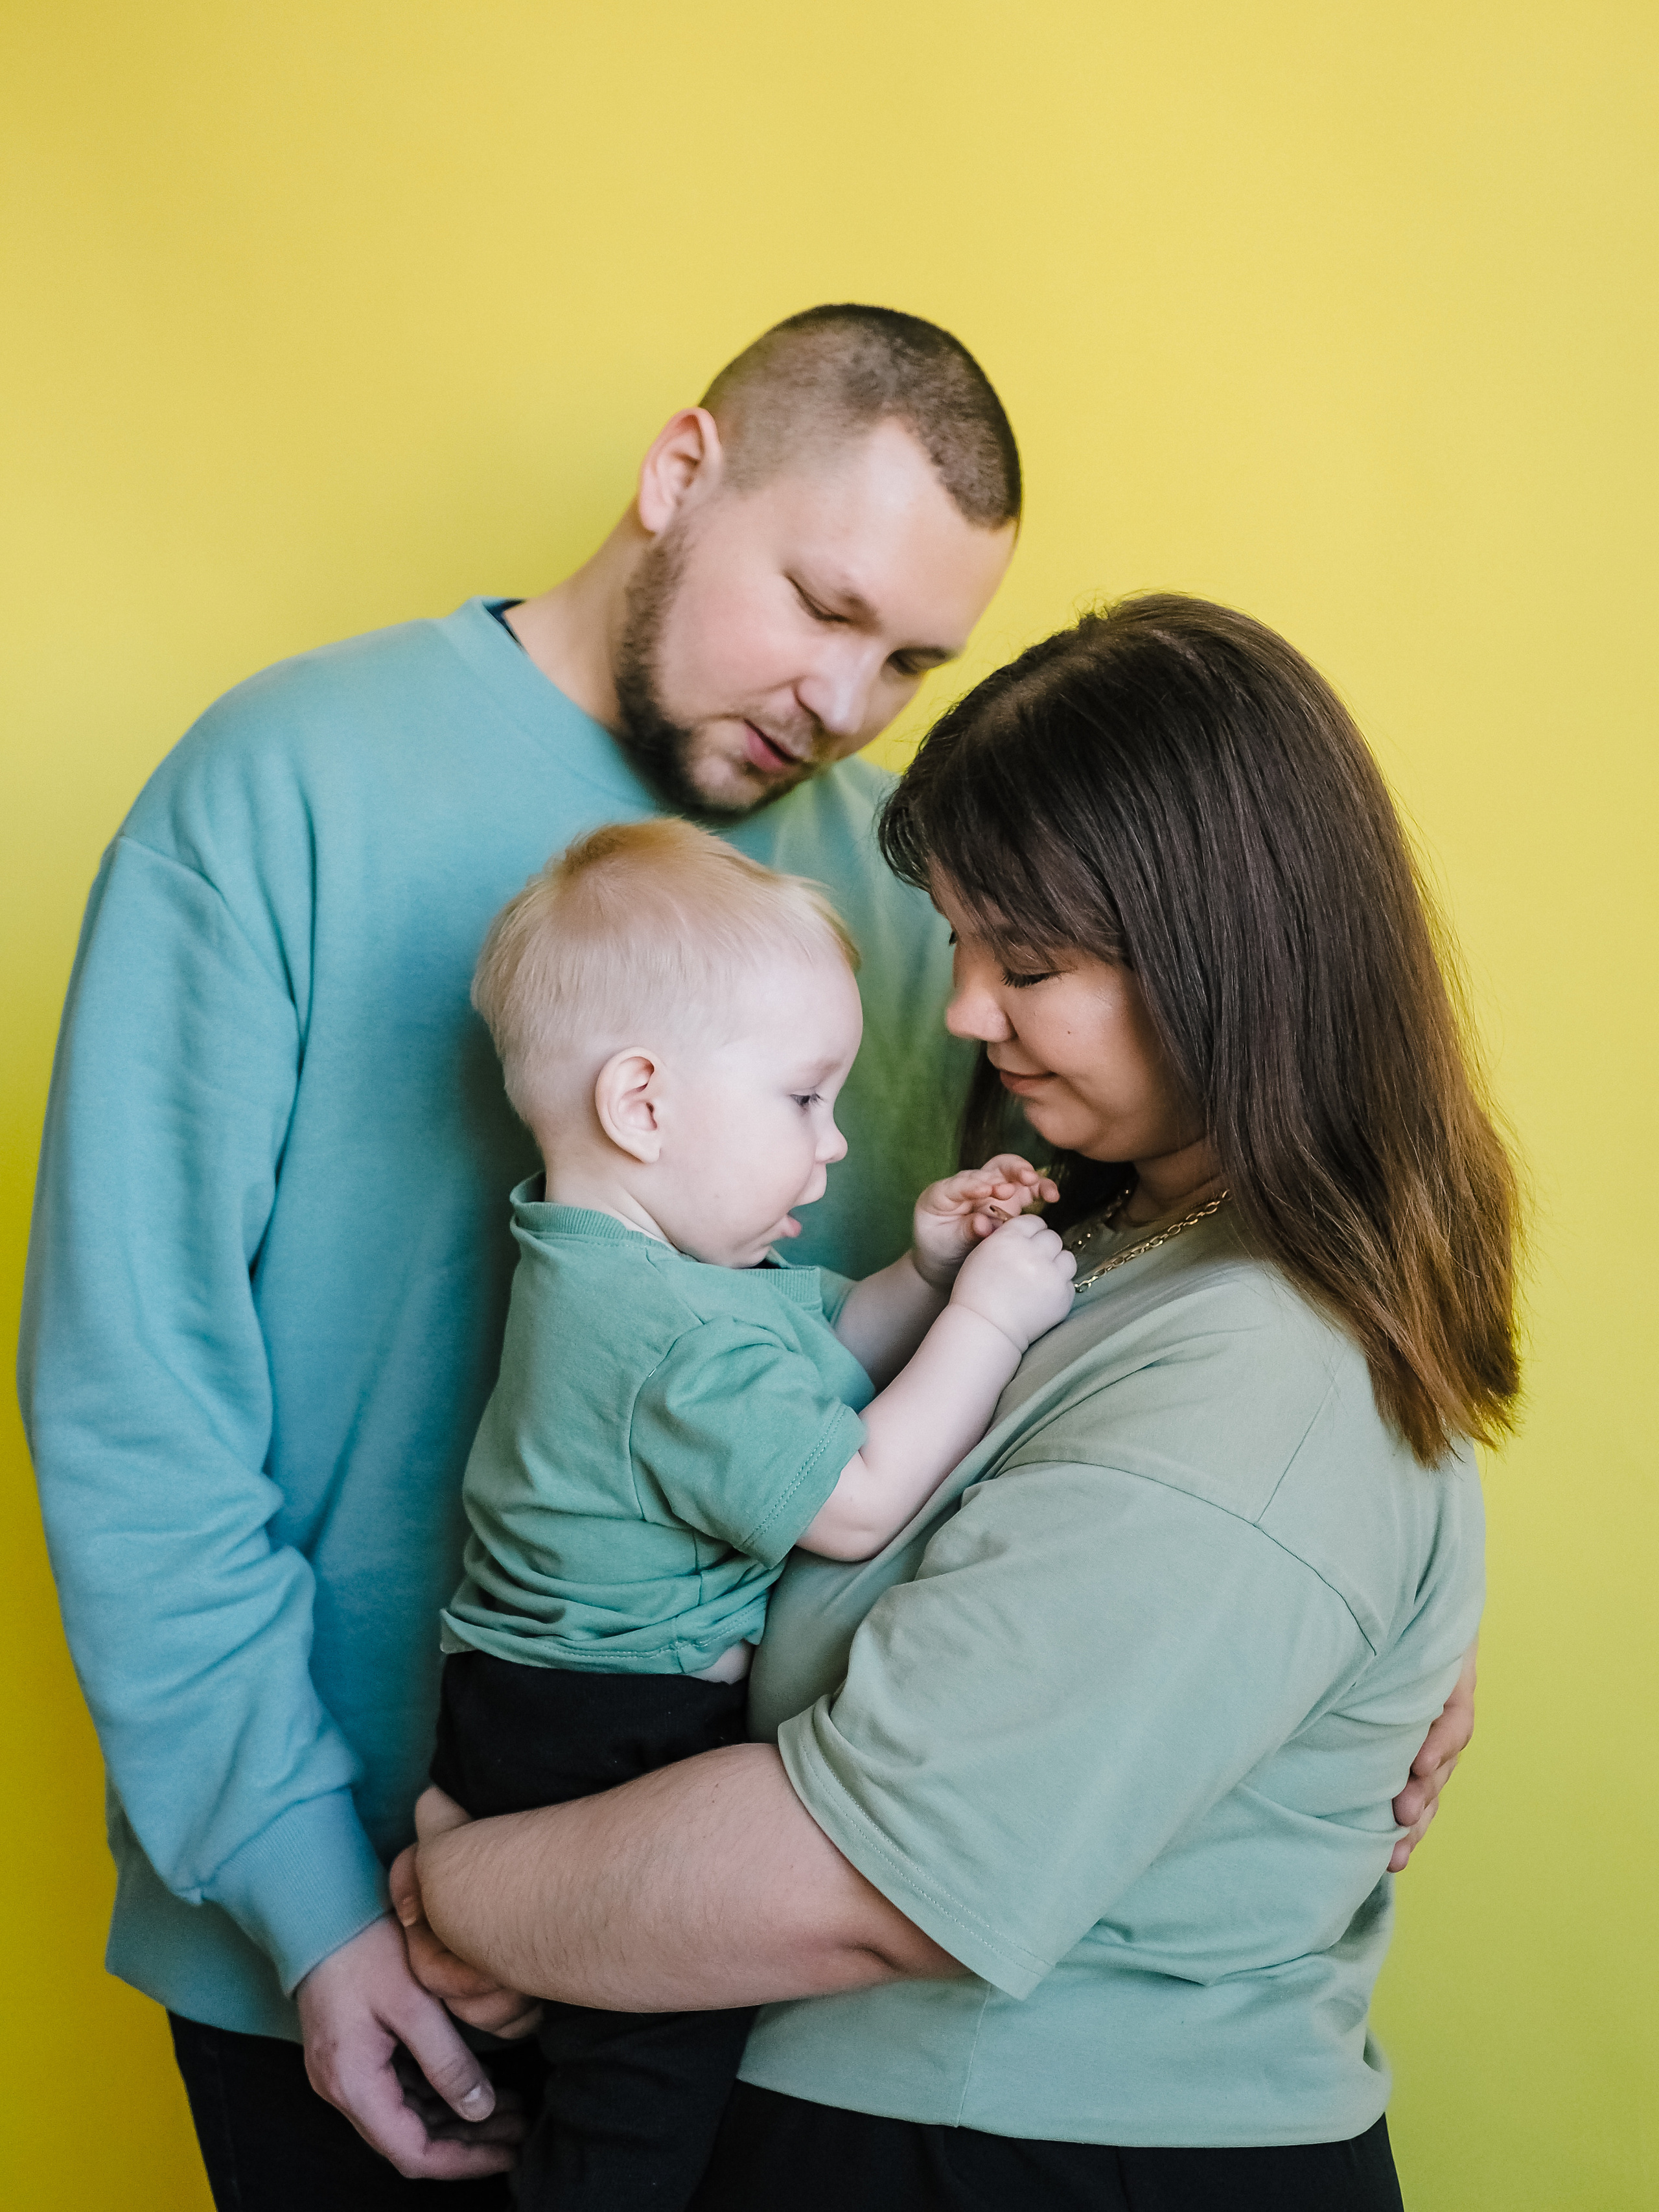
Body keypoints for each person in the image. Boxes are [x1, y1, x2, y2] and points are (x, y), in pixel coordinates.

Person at [17, 304, 1024, 2206]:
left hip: (749, 1949)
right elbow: (132, 1388)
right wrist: (314, 1905)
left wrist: (1394, 1592)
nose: (846, 695)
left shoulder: (907, 890)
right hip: (338, 1953)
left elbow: (1136, 1211)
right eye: (819, 603)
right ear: (677, 474)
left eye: (909, 657)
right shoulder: (280, 784)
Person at [393, 594, 1516, 2211]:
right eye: (964, 945)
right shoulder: (1119, 1230)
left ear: (1225, 952)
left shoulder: (1269, 1373)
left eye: (1030, 963)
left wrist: (471, 1887)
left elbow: (879, 1879)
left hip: (1029, 2154)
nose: (966, 1013)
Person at [430, 817, 1074, 2207]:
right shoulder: (661, 1331)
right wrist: (990, 1316)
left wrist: (920, 1271)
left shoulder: (634, 1277)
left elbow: (818, 1367)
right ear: (644, 1105)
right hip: (602, 1730)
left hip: (548, 1708)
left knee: (614, 2071)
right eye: (801, 1100)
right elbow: (846, 1497)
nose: (832, 1147)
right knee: (645, 2094)